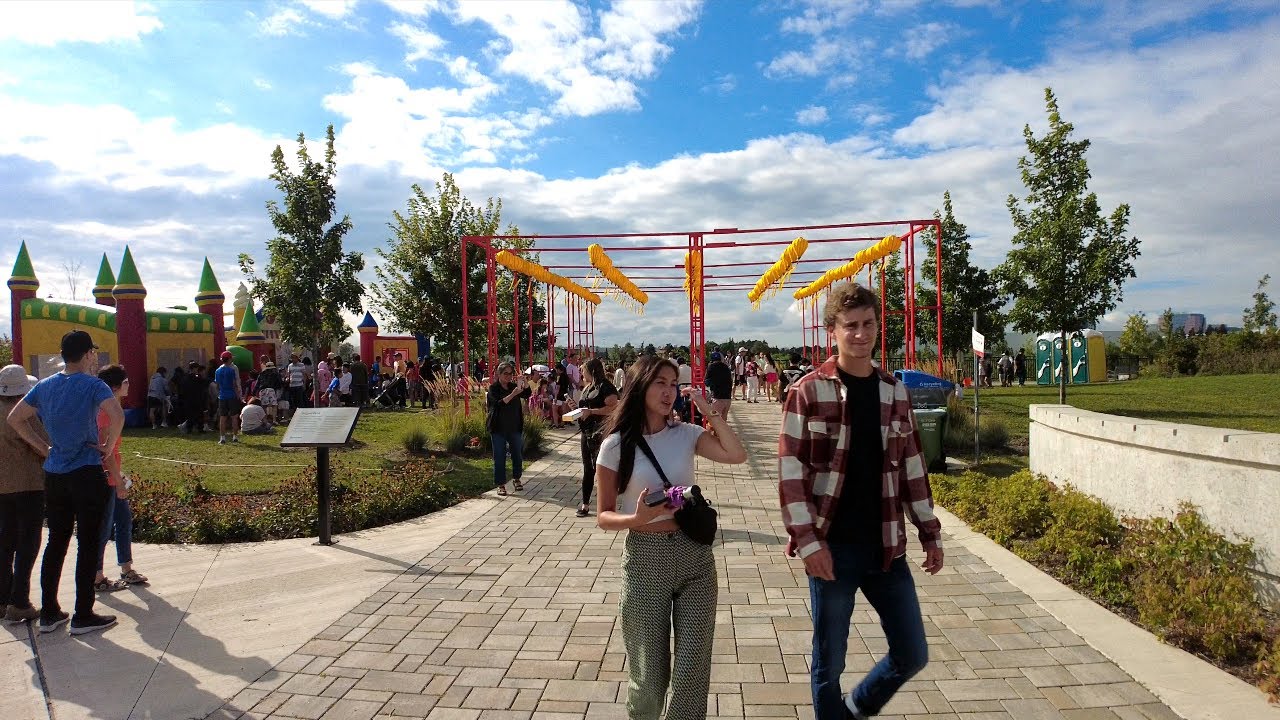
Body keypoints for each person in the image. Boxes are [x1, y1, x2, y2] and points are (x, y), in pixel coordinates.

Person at [778, 282, 943, 720]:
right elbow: (790, 475)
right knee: (829, 662)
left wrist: (930, 531)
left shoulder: (894, 391)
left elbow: (912, 466)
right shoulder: (808, 392)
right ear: (832, 330)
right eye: (850, 325)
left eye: (868, 324)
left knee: (912, 652)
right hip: (833, 547)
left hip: (886, 545)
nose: (860, 333)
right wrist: (809, 543)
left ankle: (853, 710)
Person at [594, 356, 747, 719]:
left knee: (692, 668)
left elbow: (736, 455)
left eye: (673, 383)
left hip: (694, 554)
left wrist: (708, 412)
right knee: (649, 675)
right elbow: (603, 515)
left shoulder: (687, 434)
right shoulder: (615, 446)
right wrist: (636, 517)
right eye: (659, 383)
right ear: (640, 387)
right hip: (647, 559)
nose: (668, 391)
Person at [6, 330, 122, 635]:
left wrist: (43, 448)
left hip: (55, 473)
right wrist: (108, 446)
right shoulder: (93, 385)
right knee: (87, 542)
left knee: (56, 542)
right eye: (93, 353)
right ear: (86, 354)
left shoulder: (44, 386)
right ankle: (84, 613)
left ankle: (50, 612)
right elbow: (117, 414)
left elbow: (15, 418)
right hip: (85, 470)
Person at [92, 365, 148, 593]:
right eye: (125, 382)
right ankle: (97, 576)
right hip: (107, 479)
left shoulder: (112, 409)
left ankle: (126, 568)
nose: (128, 385)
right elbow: (106, 452)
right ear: (114, 386)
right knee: (104, 529)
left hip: (114, 477)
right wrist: (117, 481)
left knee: (123, 521)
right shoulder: (105, 413)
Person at [0, 365, 44, 624]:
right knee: (28, 544)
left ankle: (2, 597)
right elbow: (43, 444)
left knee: (5, 542)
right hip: (28, 484)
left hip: (2, 487)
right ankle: (20, 600)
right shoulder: (22, 414)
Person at [575, 358, 618, 518]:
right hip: (586, 432)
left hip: (600, 432)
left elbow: (613, 408)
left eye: (583, 370)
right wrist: (577, 410)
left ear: (591, 370)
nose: (581, 373)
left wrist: (592, 412)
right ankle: (585, 504)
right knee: (588, 468)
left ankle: (607, 504)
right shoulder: (588, 387)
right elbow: (585, 408)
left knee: (602, 468)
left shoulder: (605, 387)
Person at [487, 363, 531, 496]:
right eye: (505, 373)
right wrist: (513, 394)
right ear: (498, 374)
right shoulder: (493, 388)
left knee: (517, 454)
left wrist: (524, 382)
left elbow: (527, 394)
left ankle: (516, 478)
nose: (508, 376)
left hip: (514, 426)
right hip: (498, 427)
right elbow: (498, 404)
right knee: (499, 456)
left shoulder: (513, 386)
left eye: (510, 373)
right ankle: (501, 484)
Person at [213, 351, 243, 444]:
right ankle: (235, 436)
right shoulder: (233, 369)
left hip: (222, 396)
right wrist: (239, 395)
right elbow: (236, 383)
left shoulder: (217, 370)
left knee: (222, 417)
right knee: (234, 417)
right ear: (229, 359)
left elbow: (217, 385)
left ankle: (222, 438)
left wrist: (219, 393)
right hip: (232, 395)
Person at [704, 351, 733, 421]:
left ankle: (715, 432)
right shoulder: (726, 367)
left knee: (714, 420)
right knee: (724, 419)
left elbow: (706, 382)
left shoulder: (711, 367)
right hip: (728, 397)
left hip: (717, 397)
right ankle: (723, 432)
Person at [284, 353, 307, 421]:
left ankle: (302, 415)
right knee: (293, 401)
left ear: (297, 358)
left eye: (294, 358)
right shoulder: (290, 366)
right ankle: (295, 415)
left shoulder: (301, 365)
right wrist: (287, 379)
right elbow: (288, 374)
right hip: (292, 385)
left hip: (299, 385)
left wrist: (304, 384)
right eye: (292, 358)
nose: (293, 359)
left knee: (300, 400)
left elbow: (304, 375)